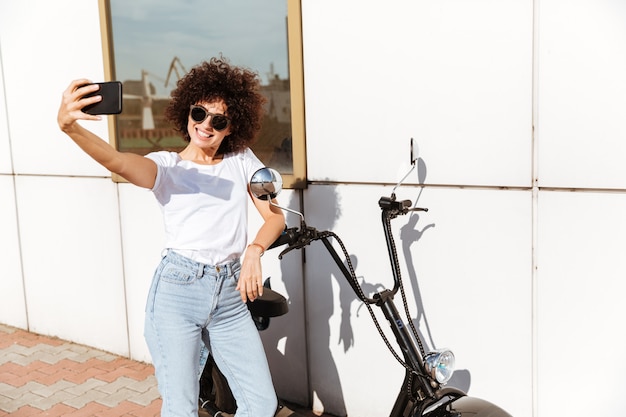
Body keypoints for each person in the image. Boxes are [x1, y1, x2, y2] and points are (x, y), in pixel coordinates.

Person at [57, 57, 285, 417]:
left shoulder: (241, 160)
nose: (206, 125)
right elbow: (118, 162)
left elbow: (274, 217)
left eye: (219, 120)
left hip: (229, 294)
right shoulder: (167, 167)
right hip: (178, 291)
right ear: (187, 113)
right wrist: (70, 128)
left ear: (231, 128)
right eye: (199, 113)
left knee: (261, 403)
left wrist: (255, 250)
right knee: (180, 406)